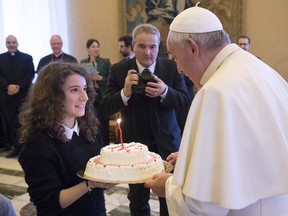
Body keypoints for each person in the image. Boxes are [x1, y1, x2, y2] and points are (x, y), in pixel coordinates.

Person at [144, 5, 288, 215]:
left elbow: (203, 206)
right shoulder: (265, 71)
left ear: (193, 48)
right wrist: (191, 159)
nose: (180, 69)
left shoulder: (214, 92)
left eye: (176, 57)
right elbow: (246, 150)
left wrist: (168, 186)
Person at [101, 23, 191, 216]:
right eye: (142, 46)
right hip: (134, 149)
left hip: (167, 145)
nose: (148, 52)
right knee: (137, 199)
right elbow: (106, 107)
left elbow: (186, 101)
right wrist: (124, 93)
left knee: (170, 197)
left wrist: (166, 91)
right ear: (133, 45)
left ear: (159, 47)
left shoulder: (172, 67)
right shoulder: (119, 70)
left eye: (153, 47)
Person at [18, 62, 114, 216]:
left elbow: (99, 175)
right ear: (53, 96)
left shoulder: (88, 128)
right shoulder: (37, 143)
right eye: (74, 90)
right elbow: (48, 202)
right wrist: (90, 184)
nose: (85, 97)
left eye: (84, 89)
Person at [0, 35, 35, 158]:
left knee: (22, 122)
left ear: (17, 43)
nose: (11, 44)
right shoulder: (1, 58)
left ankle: (24, 148)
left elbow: (30, 74)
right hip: (6, 96)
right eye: (9, 42)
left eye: (13, 42)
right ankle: (15, 147)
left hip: (22, 96)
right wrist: (8, 86)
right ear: (6, 44)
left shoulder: (26, 58)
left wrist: (18, 86)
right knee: (10, 123)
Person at [80, 39, 111, 146]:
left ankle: (105, 145)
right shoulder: (83, 63)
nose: (96, 49)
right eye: (93, 47)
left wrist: (100, 78)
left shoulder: (105, 62)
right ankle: (93, 144)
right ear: (88, 49)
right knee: (90, 121)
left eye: (97, 46)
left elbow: (111, 81)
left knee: (103, 122)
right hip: (89, 96)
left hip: (102, 95)